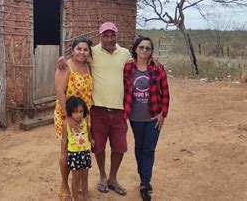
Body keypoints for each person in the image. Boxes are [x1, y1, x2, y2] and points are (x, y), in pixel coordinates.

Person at [59, 22, 132, 196]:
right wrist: (62, 58)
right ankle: (102, 176)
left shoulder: (125, 53)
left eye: (112, 35)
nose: (109, 38)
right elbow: (77, 56)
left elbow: (138, 64)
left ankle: (113, 178)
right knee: (97, 147)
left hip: (119, 110)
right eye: (105, 35)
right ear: (100, 37)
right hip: (97, 110)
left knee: (119, 147)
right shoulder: (94, 53)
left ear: (116, 35)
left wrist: (152, 58)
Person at [123, 36, 170, 201]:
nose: (144, 50)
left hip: (153, 116)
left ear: (151, 51)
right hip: (135, 117)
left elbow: (165, 92)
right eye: (141, 47)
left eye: (147, 48)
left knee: (149, 148)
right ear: (135, 49)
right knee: (139, 146)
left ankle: (145, 182)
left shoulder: (158, 69)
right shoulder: (127, 68)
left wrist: (163, 113)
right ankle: (142, 174)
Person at [54, 35, 93, 200]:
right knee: (67, 151)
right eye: (79, 49)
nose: (82, 52)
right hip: (67, 116)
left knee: (81, 149)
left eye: (85, 49)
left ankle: (78, 184)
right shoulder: (65, 65)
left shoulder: (89, 67)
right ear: (72, 50)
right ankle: (64, 184)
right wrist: (68, 118)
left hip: (84, 118)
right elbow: (59, 91)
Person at [60, 96, 93, 201]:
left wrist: (91, 140)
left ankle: (86, 196)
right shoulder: (66, 124)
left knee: (85, 177)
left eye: (81, 111)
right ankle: (76, 198)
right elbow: (64, 140)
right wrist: (63, 154)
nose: (78, 114)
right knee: (75, 179)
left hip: (85, 152)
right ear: (69, 112)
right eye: (75, 112)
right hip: (74, 155)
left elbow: (88, 132)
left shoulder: (85, 121)